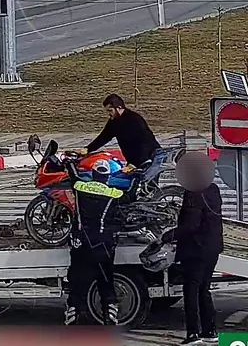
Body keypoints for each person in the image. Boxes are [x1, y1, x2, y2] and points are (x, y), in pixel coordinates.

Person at [161, 160, 223, 345]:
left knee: (192, 290)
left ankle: (193, 334)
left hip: (196, 249)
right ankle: (210, 330)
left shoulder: (193, 194)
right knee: (204, 289)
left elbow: (190, 225)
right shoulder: (213, 189)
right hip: (212, 247)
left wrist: (169, 235)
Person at [64, 158, 130, 326]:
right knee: (106, 281)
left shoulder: (80, 187)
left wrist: (70, 163)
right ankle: (110, 316)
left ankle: (72, 316)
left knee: (78, 282)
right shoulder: (113, 193)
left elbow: (73, 177)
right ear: (107, 177)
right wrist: (136, 176)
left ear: (93, 174)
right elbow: (131, 195)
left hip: (82, 245)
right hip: (103, 246)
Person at [82, 94, 163, 175]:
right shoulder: (114, 121)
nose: (109, 114)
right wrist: (88, 149)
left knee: (146, 184)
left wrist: (136, 164)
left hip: (150, 157)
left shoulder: (134, 119)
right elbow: (104, 137)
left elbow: (145, 142)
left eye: (110, 111)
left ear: (119, 108)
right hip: (134, 161)